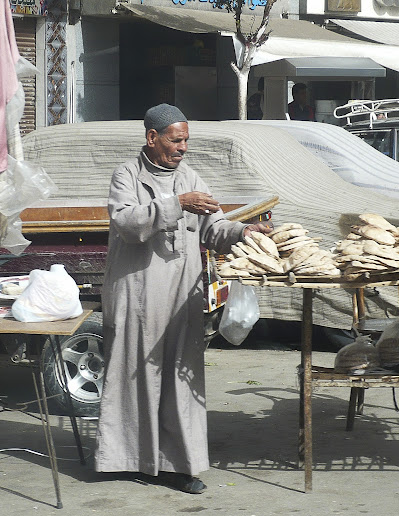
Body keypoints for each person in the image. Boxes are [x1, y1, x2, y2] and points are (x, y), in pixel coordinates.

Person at [95, 103, 272, 494]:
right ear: (152, 138)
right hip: (137, 294)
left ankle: (179, 465)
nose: (183, 148)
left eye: (186, 140)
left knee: (178, 375)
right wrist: (177, 204)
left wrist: (245, 232)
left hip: (181, 296)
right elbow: (125, 223)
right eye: (176, 140)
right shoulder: (127, 175)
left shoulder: (191, 177)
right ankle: (130, 460)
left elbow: (214, 227)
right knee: (135, 374)